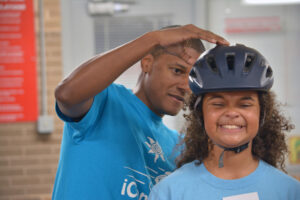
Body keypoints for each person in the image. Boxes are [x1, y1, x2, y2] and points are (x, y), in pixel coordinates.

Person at [52, 24, 229, 199]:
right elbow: (66, 94)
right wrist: (153, 38)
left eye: (192, 79)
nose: (185, 86)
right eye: (177, 71)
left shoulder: (179, 145)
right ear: (147, 63)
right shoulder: (105, 100)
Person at [149, 44, 300, 200]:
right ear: (200, 113)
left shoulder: (290, 192)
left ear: (262, 112)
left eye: (245, 105)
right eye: (218, 104)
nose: (232, 113)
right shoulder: (169, 193)